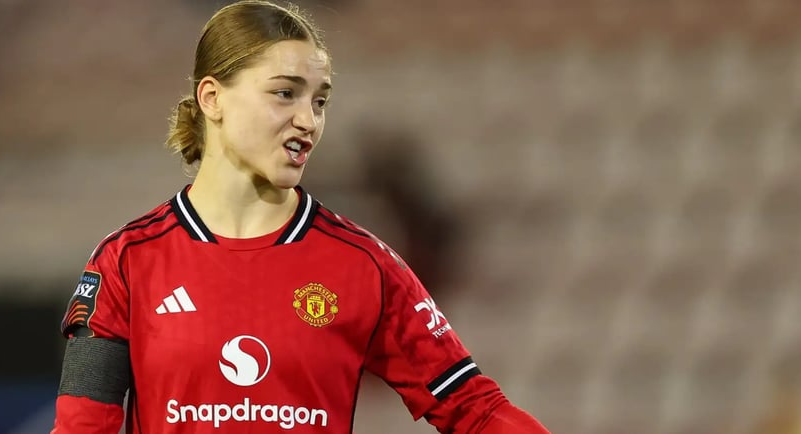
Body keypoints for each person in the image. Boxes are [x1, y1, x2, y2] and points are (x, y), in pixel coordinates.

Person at [51, 1, 550, 433]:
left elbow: (475, 410)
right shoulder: (126, 261)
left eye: (320, 100)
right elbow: (83, 426)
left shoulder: (364, 266)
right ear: (212, 98)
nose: (308, 121)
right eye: (284, 93)